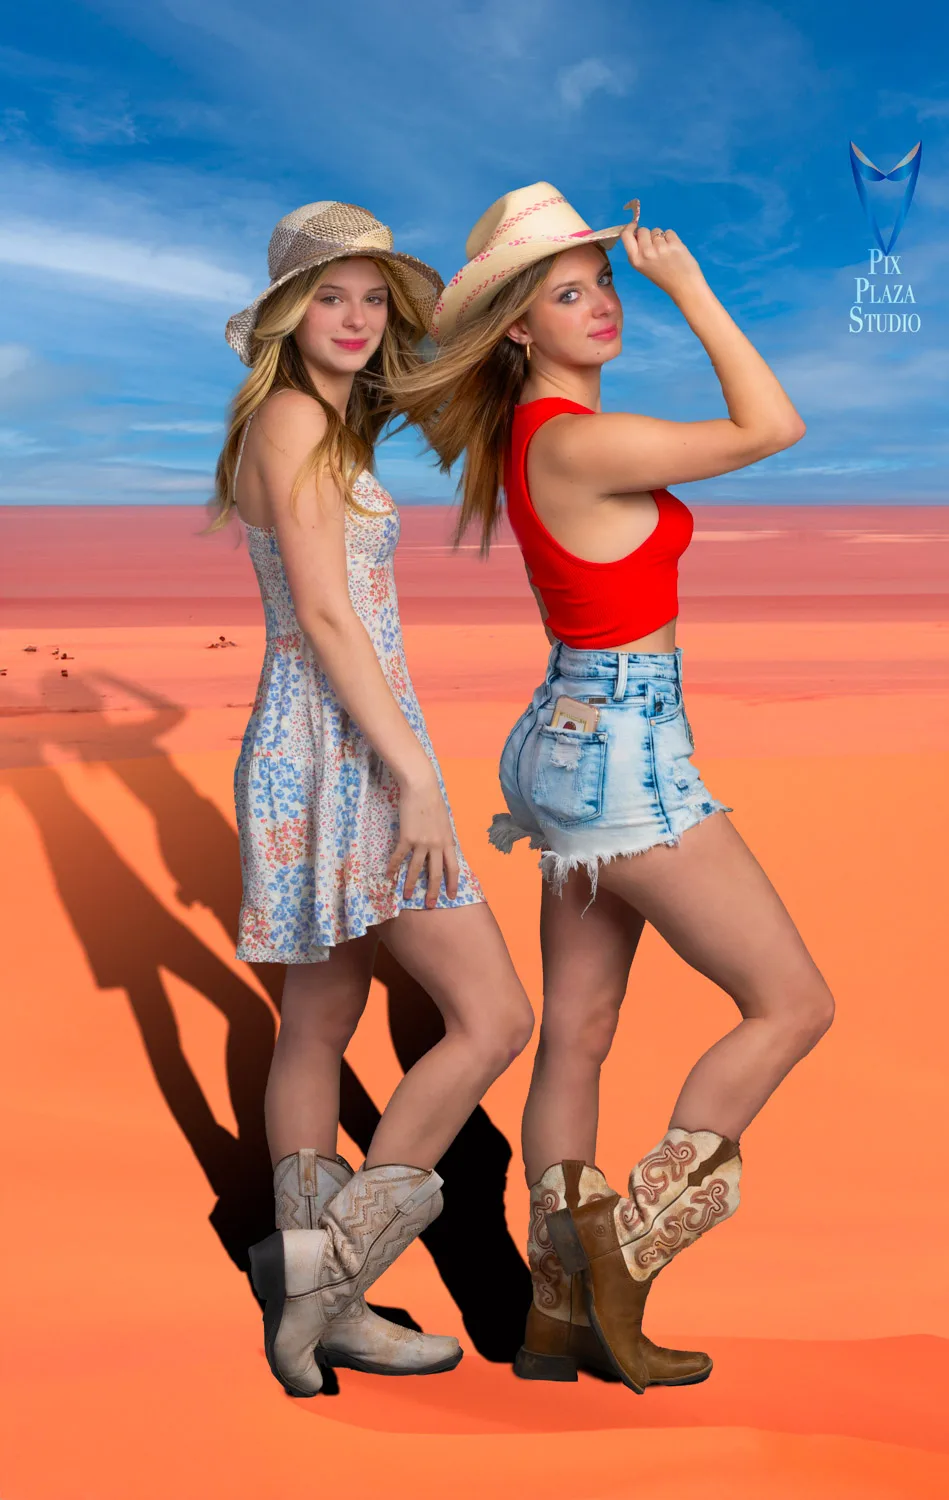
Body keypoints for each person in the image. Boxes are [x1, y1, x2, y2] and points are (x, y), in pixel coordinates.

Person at [389, 182, 835, 1395]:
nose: (601, 307)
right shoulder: (579, 438)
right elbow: (770, 425)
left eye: (604, 287)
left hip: (567, 739)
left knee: (578, 1036)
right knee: (791, 1003)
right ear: (517, 330)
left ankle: (554, 1319)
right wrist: (690, 287)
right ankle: (624, 1255)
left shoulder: (531, 438)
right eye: (566, 294)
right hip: (623, 753)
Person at [212, 201, 533, 1396]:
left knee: (315, 1022)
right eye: (329, 296)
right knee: (495, 1018)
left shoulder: (329, 417)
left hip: (312, 739)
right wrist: (414, 784)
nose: (353, 319)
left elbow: (444, 402)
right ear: (290, 315)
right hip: (341, 749)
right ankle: (329, 1295)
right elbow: (332, 615)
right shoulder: (295, 417)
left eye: (370, 299)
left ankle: (306, 1289)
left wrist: (498, 334)